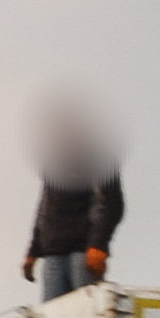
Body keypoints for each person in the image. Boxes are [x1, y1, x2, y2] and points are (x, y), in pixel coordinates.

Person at [23, 98, 123, 301]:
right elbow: (44, 209)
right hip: (53, 256)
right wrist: (33, 251)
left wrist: (99, 244)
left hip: (83, 254)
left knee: (87, 316)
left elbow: (112, 203)